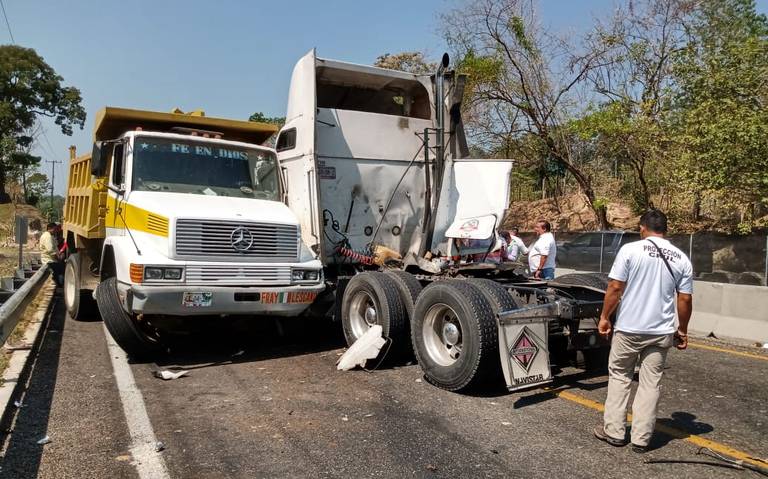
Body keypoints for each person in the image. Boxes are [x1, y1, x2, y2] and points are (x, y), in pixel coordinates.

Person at [594, 209, 693, 453]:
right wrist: (683, 329)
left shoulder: (631, 250)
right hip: (660, 332)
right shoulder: (681, 258)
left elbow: (616, 287)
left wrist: (605, 317)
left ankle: (615, 432)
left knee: (620, 376)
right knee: (651, 384)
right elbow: (685, 299)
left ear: (642, 227)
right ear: (665, 230)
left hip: (629, 328)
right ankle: (641, 439)